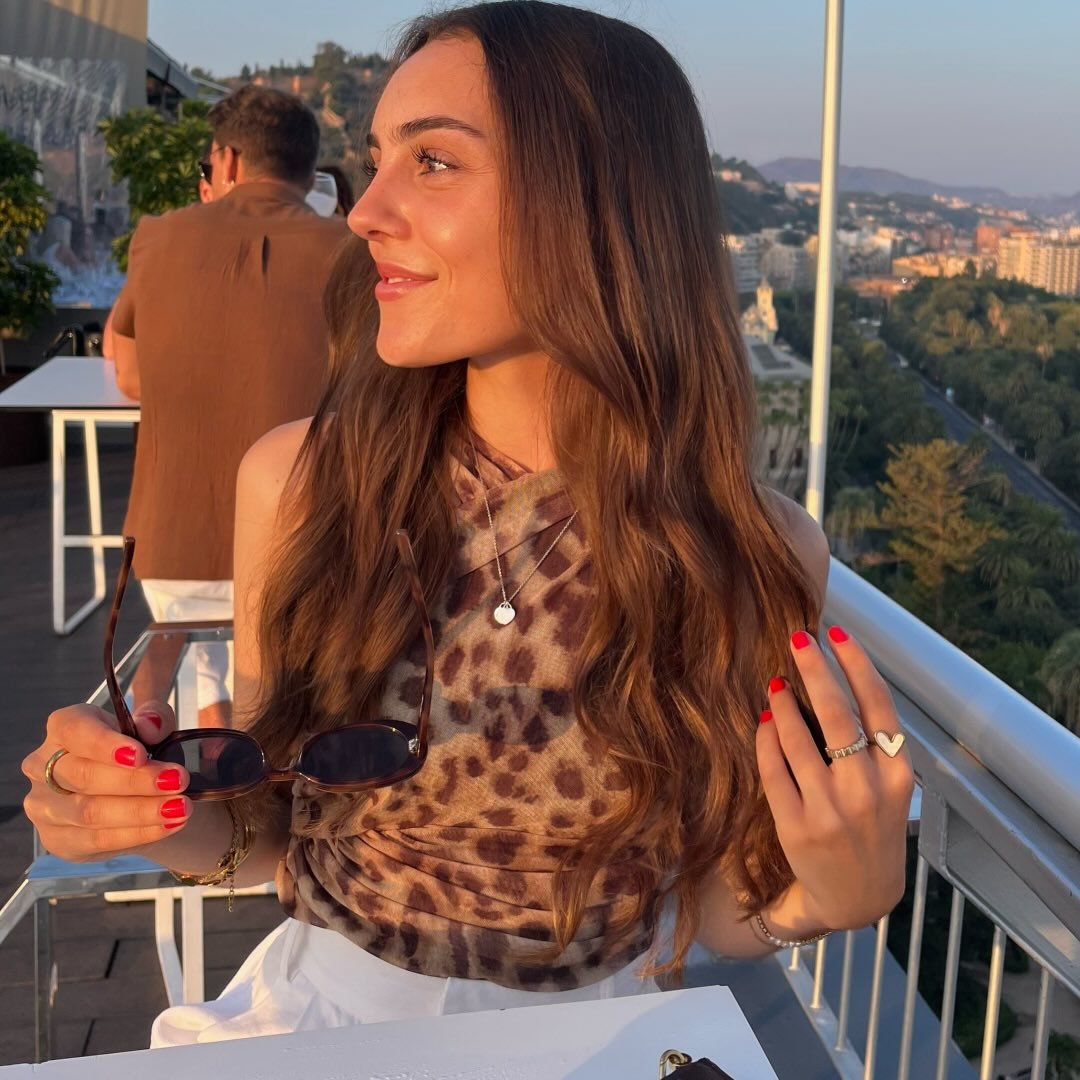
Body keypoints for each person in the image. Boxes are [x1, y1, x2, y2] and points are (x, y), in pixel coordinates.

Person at [22, 0, 914, 1048]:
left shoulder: (744, 548)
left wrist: (828, 897)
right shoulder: (304, 484)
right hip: (323, 1024)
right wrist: (141, 810)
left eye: (434, 162)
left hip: (599, 1039)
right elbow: (272, 841)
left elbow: (705, 911)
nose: (365, 211)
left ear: (597, 203)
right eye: (376, 161)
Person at [106, 84, 348, 728]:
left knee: (205, 669)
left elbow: (128, 374)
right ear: (308, 170)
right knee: (285, 697)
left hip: (177, 538)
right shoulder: (352, 249)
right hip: (312, 533)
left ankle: (210, 760)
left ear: (227, 160)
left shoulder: (159, 236)